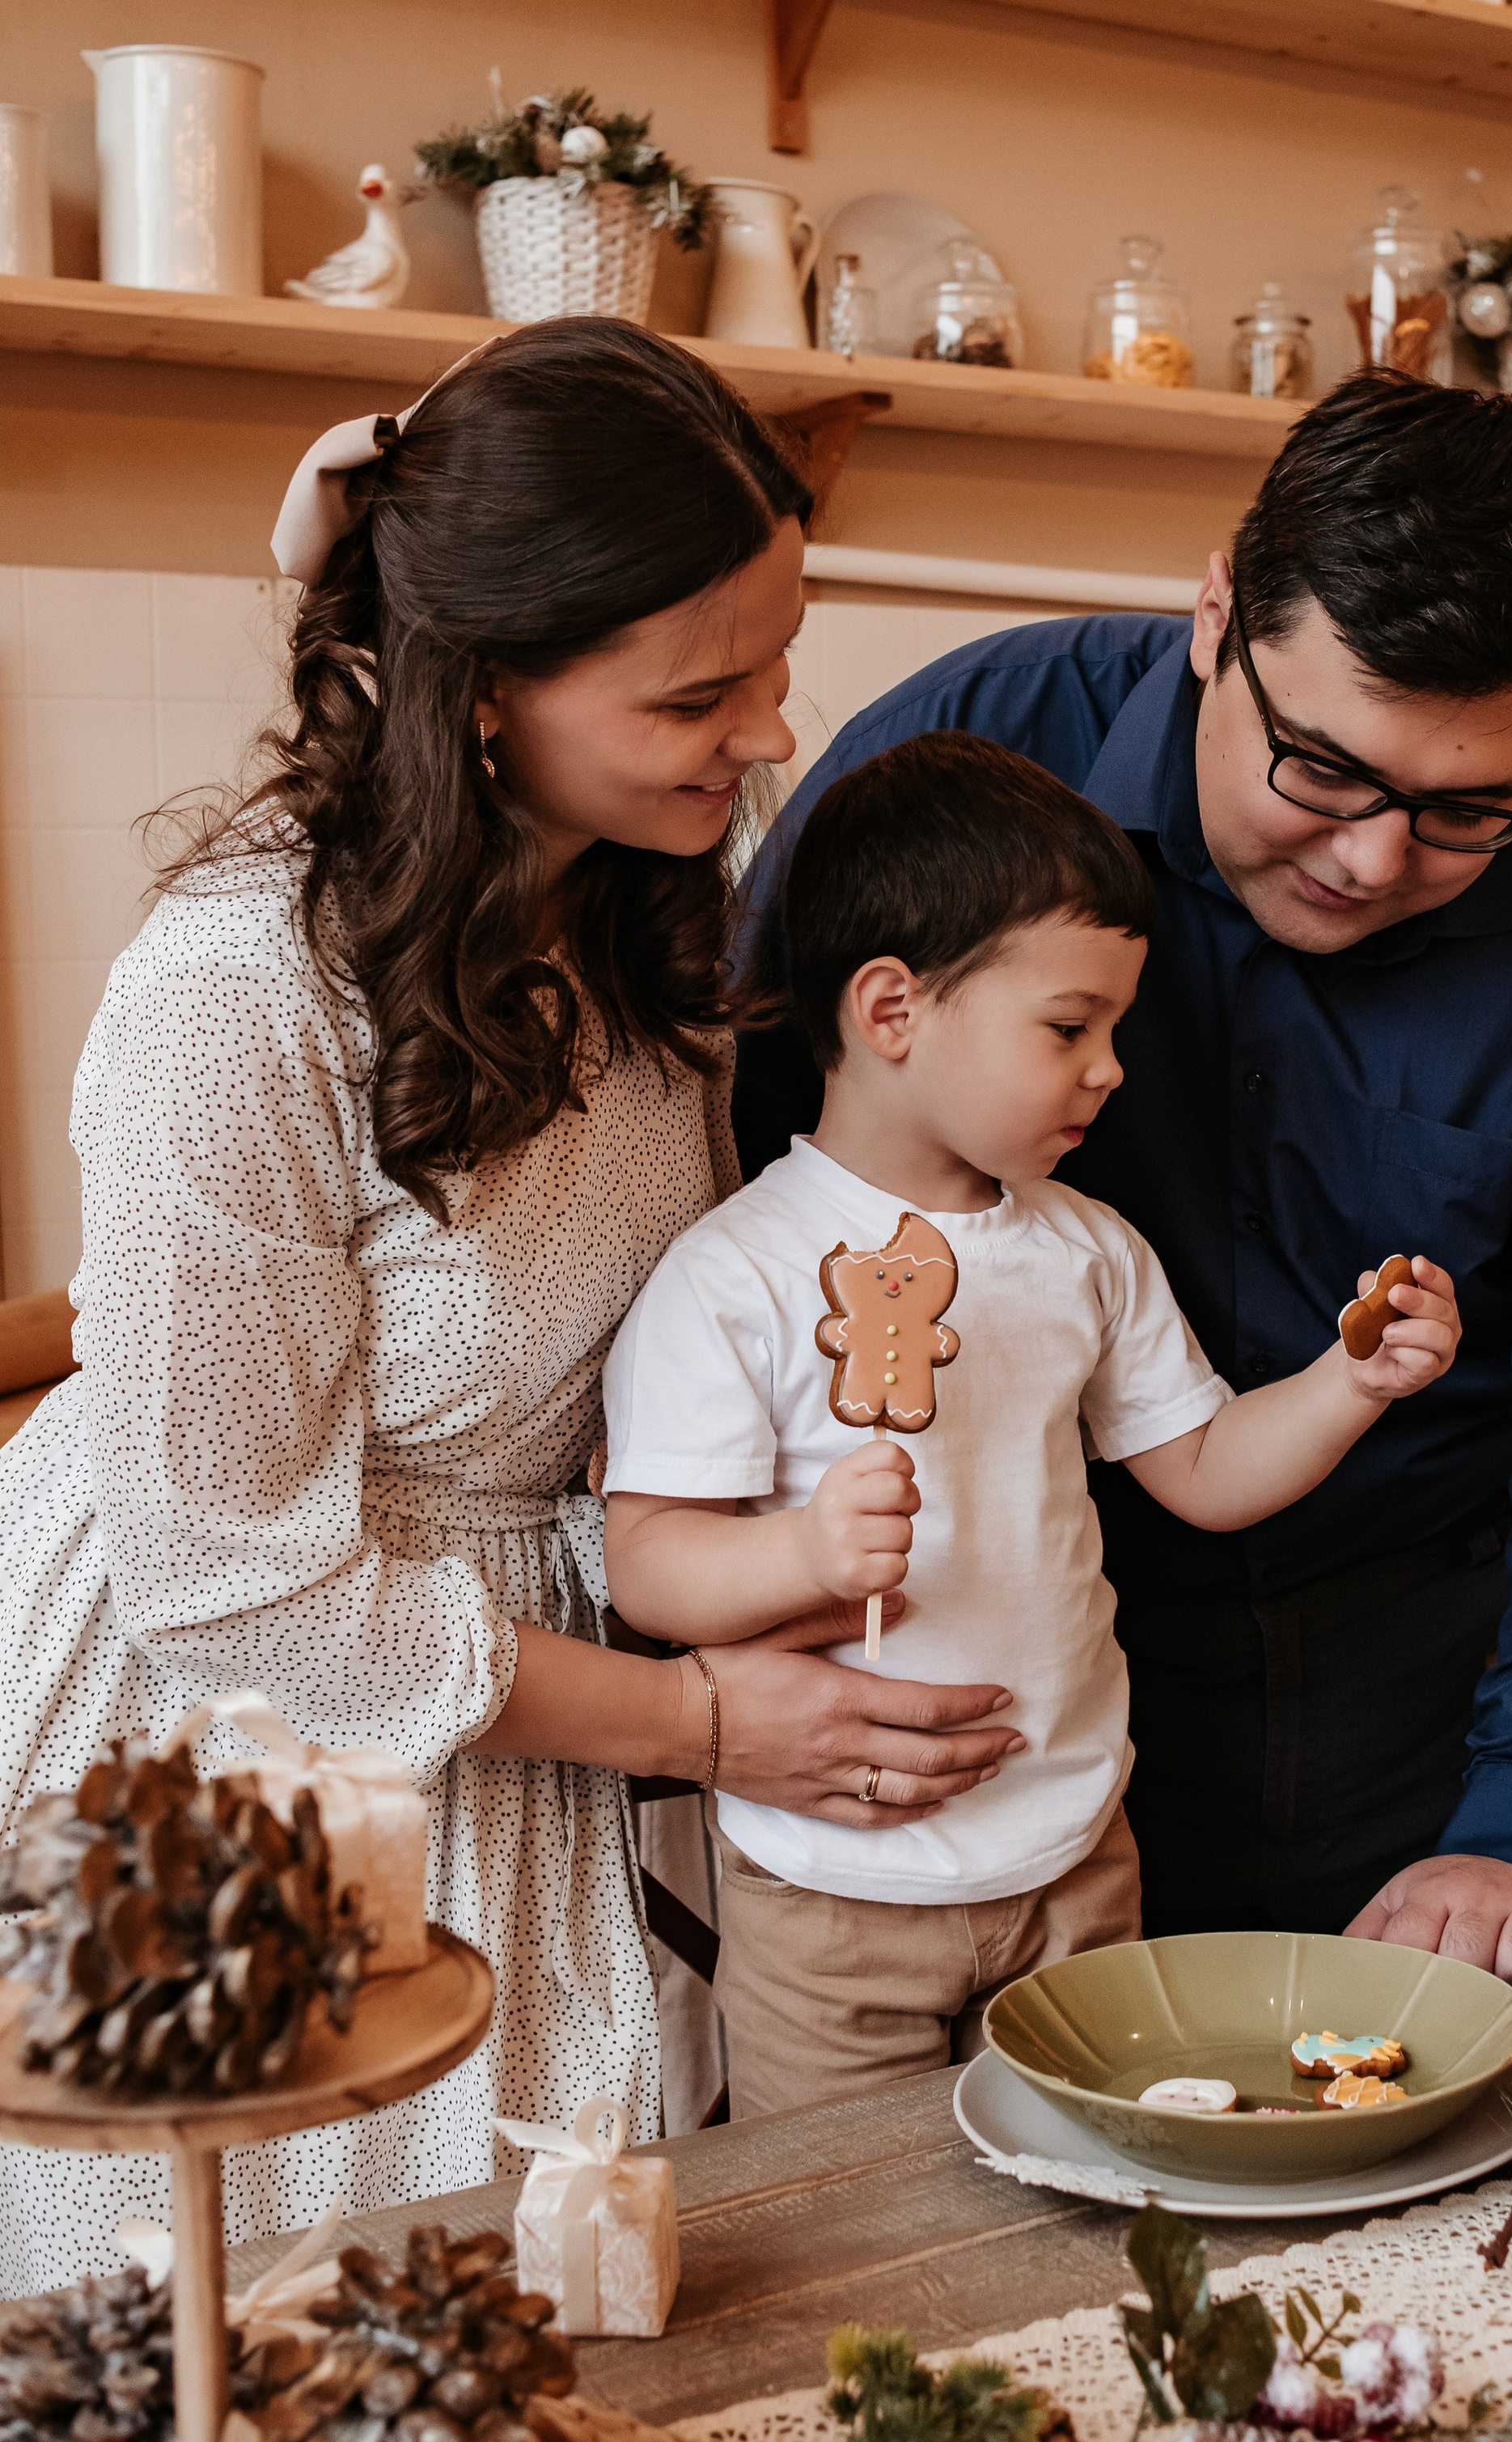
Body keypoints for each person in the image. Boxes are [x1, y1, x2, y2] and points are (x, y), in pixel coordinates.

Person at [0, 324, 1024, 2296]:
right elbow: (230, 1582)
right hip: (245, 1747)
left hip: (548, 1702)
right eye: (696, 693)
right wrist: (707, 1719)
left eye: (775, 661)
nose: (763, 735)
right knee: (254, 2383)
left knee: (548, 2359)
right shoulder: (239, 996)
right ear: (481, 702)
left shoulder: (644, 920)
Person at [734, 372, 1512, 1975]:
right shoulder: (954, 767)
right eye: (1319, 766)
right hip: (970, 1666)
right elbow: (739, 1220)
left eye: (1464, 811)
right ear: (1215, 613)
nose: (1372, 858)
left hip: (1430, 1688)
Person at [599, 731, 1460, 2115]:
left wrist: (1349, 1386)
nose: (1111, 1069)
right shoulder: (737, 1273)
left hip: (1075, 1859)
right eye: (1071, 1028)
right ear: (891, 1010)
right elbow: (645, 1564)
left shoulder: (1087, 1251)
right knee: (850, 2258)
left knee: (1076, 2197)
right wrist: (809, 1557)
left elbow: (1204, 1469)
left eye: (1115, 1028)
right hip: (836, 1896)